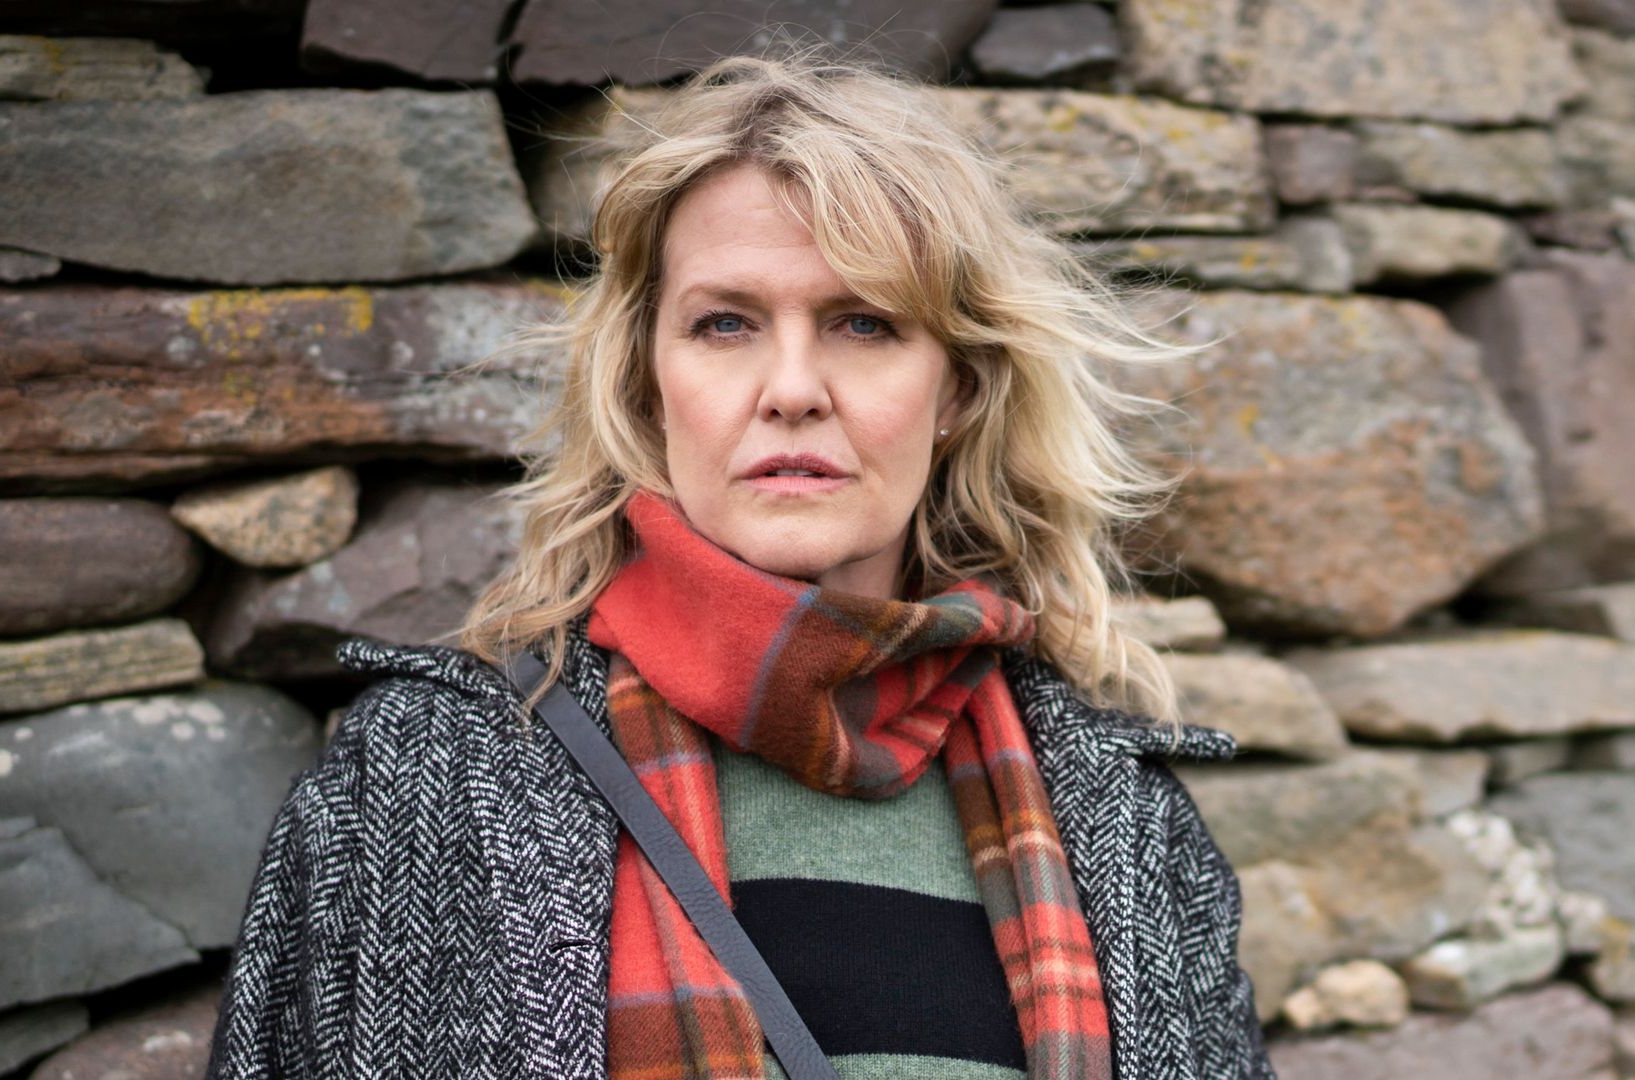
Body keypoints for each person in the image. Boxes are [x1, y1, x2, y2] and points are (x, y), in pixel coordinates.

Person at [205, 46, 1273, 1080]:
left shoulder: (1128, 829)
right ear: (645, 384)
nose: (793, 387)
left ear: (956, 392)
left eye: (864, 322)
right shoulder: (426, 783)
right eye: (725, 324)